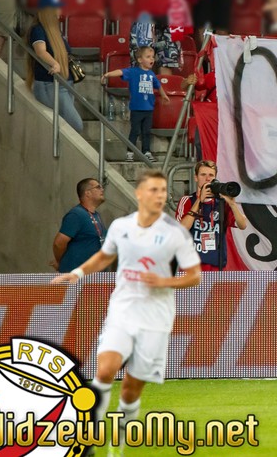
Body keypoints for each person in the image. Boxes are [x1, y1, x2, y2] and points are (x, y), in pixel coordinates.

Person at [51, 170, 201, 450]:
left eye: (162, 191)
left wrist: (164, 281)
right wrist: (77, 272)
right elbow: (103, 257)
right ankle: (90, 437)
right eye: (152, 190)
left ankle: (119, 442)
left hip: (155, 314)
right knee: (105, 371)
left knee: (132, 386)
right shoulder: (121, 226)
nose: (158, 196)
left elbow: (194, 276)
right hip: (122, 309)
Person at [24, 0, 83, 131]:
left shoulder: (54, 30)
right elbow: (40, 51)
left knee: (66, 126)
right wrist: (54, 63)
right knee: (76, 125)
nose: (61, 10)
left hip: (64, 82)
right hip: (50, 83)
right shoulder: (38, 29)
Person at [175, 160, 248, 271]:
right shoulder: (187, 200)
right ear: (196, 177)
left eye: (211, 175)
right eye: (203, 175)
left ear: (215, 178)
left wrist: (233, 204)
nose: (207, 179)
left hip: (216, 266)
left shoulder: (221, 203)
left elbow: (243, 225)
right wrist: (199, 200)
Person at [101, 46, 170, 162]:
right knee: (135, 131)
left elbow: (158, 85)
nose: (151, 59)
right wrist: (108, 74)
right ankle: (130, 152)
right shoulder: (133, 71)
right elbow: (120, 71)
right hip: (137, 109)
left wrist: (164, 95)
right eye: (148, 57)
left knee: (146, 132)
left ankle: (146, 151)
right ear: (140, 60)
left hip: (149, 109)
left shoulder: (152, 74)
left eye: (152, 57)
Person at [53, 177, 107, 272]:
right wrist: (60, 261)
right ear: (87, 193)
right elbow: (58, 244)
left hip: (95, 275)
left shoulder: (96, 215)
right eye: (98, 187)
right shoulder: (76, 215)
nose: (102, 189)